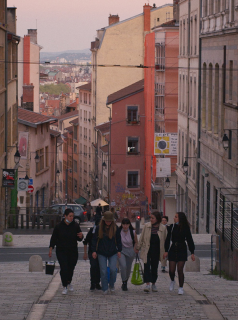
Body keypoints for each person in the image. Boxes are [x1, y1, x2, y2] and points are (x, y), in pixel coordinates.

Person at [49, 208, 83, 295]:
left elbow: (79, 238)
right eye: (70, 216)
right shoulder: (59, 226)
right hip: (61, 250)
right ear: (65, 216)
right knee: (64, 268)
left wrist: (81, 236)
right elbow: (53, 238)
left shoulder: (75, 225)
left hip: (72, 250)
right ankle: (64, 286)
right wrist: (51, 248)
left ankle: (69, 282)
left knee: (71, 268)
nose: (72, 218)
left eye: (72, 216)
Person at [163, 212, 195, 295]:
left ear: (180, 218)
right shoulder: (172, 227)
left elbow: (189, 239)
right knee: (171, 270)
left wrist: (192, 252)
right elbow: (167, 239)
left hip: (182, 249)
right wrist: (166, 250)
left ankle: (181, 287)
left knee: (180, 269)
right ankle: (172, 281)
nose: (174, 218)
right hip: (173, 248)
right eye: (174, 216)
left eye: (176, 217)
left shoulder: (185, 228)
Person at [91, 211, 122, 295]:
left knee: (113, 270)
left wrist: (119, 250)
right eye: (107, 220)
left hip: (112, 252)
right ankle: (104, 287)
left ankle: (111, 285)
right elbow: (94, 240)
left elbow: (119, 240)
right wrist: (94, 251)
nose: (108, 222)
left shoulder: (115, 228)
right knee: (103, 271)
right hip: (101, 252)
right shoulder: (99, 228)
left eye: (110, 221)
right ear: (103, 220)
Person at [136, 211, 167, 293]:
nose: (151, 219)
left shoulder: (163, 228)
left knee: (154, 267)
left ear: (157, 219)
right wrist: (138, 247)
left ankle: (153, 283)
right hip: (147, 250)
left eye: (153, 218)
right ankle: (147, 284)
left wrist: (166, 251)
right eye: (150, 218)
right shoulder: (147, 226)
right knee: (146, 266)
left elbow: (165, 240)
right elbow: (142, 238)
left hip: (156, 250)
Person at [118, 218, 138, 291]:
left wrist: (134, 250)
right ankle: (124, 282)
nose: (125, 226)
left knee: (128, 268)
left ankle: (126, 281)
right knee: (123, 266)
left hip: (130, 250)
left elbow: (136, 242)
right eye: (123, 224)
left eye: (126, 224)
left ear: (129, 225)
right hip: (122, 250)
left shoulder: (133, 232)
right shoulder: (119, 231)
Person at [83, 218, 102, 291]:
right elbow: (85, 242)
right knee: (94, 266)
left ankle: (97, 283)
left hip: (101, 252)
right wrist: (85, 253)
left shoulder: (103, 231)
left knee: (100, 267)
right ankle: (93, 283)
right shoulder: (92, 231)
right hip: (92, 251)